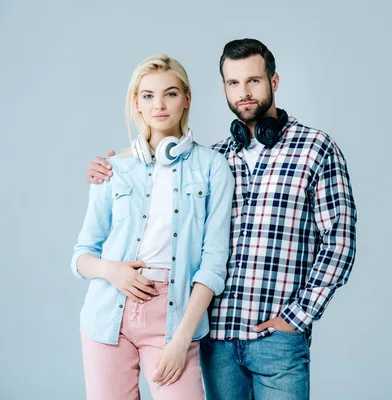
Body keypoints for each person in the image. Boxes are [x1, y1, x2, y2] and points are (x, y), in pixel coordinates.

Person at [86, 39, 357, 400]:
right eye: (233, 83)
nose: (243, 92)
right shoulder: (216, 158)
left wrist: (297, 318)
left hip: (276, 338)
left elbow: (339, 241)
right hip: (218, 339)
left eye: (253, 81)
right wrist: (108, 167)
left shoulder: (315, 148)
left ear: (273, 82)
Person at [72, 54, 233, 400]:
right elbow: (82, 255)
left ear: (187, 98)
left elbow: (213, 263)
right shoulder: (112, 169)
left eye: (170, 93)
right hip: (107, 315)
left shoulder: (213, 167)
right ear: (137, 103)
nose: (159, 104)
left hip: (174, 315)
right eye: (148, 95)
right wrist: (113, 271)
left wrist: (181, 339)